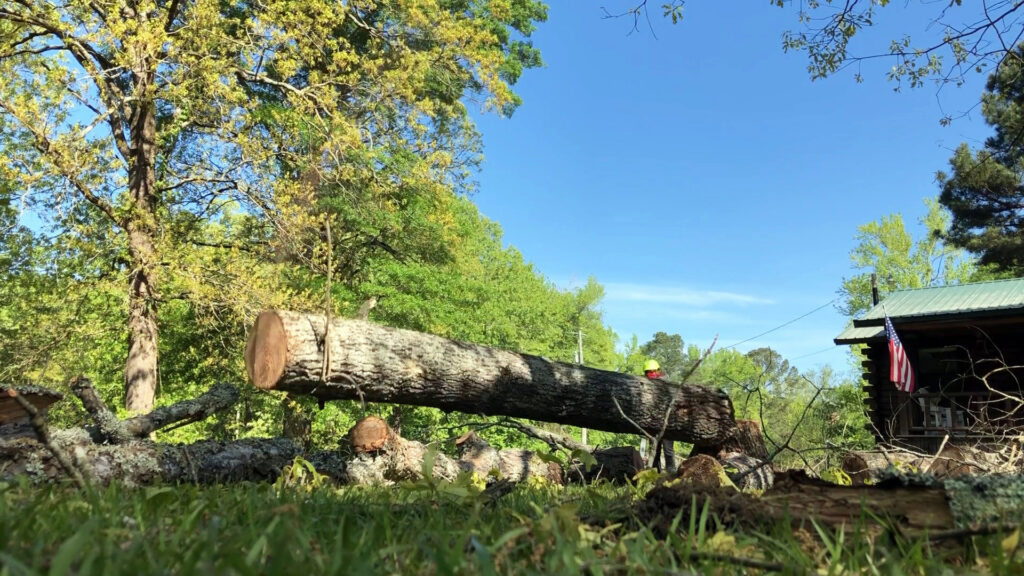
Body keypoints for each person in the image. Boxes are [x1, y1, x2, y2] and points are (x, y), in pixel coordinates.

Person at [643, 359, 676, 473]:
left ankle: (671, 473)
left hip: (667, 423)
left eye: (653, 371)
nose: (652, 374)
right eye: (649, 372)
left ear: (658, 371)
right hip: (652, 423)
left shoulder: (667, 385)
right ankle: (654, 474)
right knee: (654, 450)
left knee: (668, 450)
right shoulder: (644, 385)